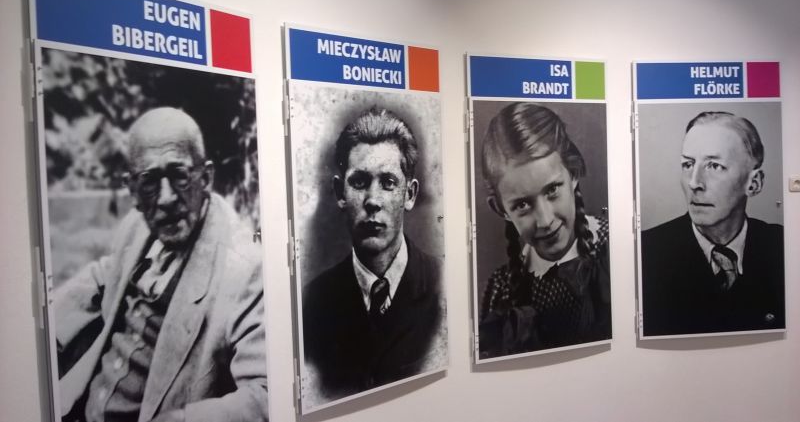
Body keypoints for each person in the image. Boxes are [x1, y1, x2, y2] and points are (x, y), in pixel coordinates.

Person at [54, 108, 268, 422]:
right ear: (132, 190)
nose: (166, 198)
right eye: (150, 181)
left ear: (205, 178)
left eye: (179, 175)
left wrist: (183, 420)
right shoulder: (136, 226)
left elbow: (265, 394)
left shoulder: (244, 268)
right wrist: (45, 329)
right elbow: (104, 274)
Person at [302, 107, 444, 402]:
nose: (372, 201)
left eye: (388, 183)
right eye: (359, 182)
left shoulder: (443, 286)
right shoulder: (313, 301)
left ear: (409, 194)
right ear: (340, 192)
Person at [478, 102, 611, 359]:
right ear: (501, 209)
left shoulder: (615, 246)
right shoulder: (500, 291)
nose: (545, 220)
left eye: (552, 190)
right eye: (522, 205)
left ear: (573, 173)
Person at [641, 111, 784, 337]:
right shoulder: (648, 251)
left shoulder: (781, 245)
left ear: (754, 183)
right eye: (688, 164)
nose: (694, 182)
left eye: (714, 166)